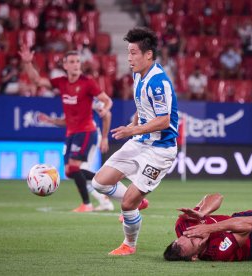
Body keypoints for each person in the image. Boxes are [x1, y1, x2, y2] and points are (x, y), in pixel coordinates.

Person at [91, 27, 178, 256]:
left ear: (148, 54)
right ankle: (140, 202)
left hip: (160, 151)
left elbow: (164, 120)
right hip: (140, 142)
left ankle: (129, 245)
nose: (129, 58)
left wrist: (134, 130)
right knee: (99, 183)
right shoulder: (138, 75)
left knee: (127, 204)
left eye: (133, 53)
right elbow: (142, 108)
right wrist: (134, 126)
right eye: (128, 53)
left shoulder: (159, 82)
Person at [18, 45, 113, 212]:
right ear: (65, 65)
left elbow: (107, 100)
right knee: (69, 171)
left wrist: (105, 110)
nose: (76, 64)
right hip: (71, 132)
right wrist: (28, 63)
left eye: (78, 61)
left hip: (86, 131)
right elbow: (37, 81)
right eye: (72, 62)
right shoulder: (61, 83)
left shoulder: (88, 83)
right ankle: (107, 184)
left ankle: (88, 203)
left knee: (75, 167)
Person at [38, 99, 114, 211]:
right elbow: (68, 121)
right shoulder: (69, 97)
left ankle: (106, 186)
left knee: (77, 170)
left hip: (88, 135)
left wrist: (104, 137)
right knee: (71, 172)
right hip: (75, 136)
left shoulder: (87, 96)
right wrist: (50, 120)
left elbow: (107, 114)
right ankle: (104, 198)